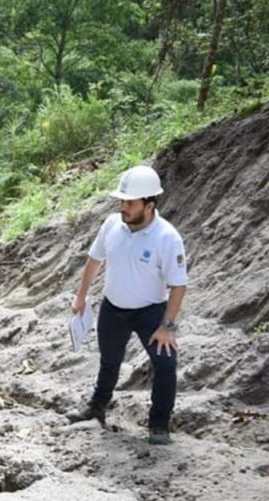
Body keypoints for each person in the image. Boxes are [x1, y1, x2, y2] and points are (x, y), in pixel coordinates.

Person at [67, 165, 188, 445]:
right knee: (109, 361)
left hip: (150, 311)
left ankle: (159, 425)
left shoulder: (167, 238)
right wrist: (81, 295)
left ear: (149, 204)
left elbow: (178, 285)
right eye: (121, 201)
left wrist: (167, 326)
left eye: (130, 203)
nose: (123, 207)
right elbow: (94, 260)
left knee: (166, 364)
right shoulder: (112, 225)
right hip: (113, 309)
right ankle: (96, 409)